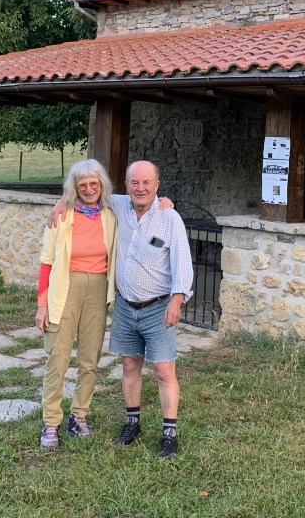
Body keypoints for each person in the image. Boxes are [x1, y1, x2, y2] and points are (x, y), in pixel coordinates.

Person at [108, 160, 193, 459]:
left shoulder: (169, 218)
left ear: (157, 185)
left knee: (163, 369)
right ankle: (133, 423)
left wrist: (177, 300)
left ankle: (169, 434)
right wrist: (59, 205)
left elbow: (182, 262)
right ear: (126, 185)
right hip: (125, 304)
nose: (140, 188)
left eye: (147, 182)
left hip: (158, 307)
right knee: (129, 364)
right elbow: (85, 192)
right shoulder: (119, 206)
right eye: (134, 182)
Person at [35, 159, 117, 450]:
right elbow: (46, 262)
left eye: (94, 184)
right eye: (83, 185)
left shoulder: (111, 215)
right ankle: (51, 421)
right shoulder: (61, 215)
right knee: (57, 357)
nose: (89, 189)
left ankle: (79, 415)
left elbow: (140, 198)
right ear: (75, 188)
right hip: (64, 288)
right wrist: (42, 304)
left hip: (98, 288)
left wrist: (164, 202)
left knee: (90, 359)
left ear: (101, 185)